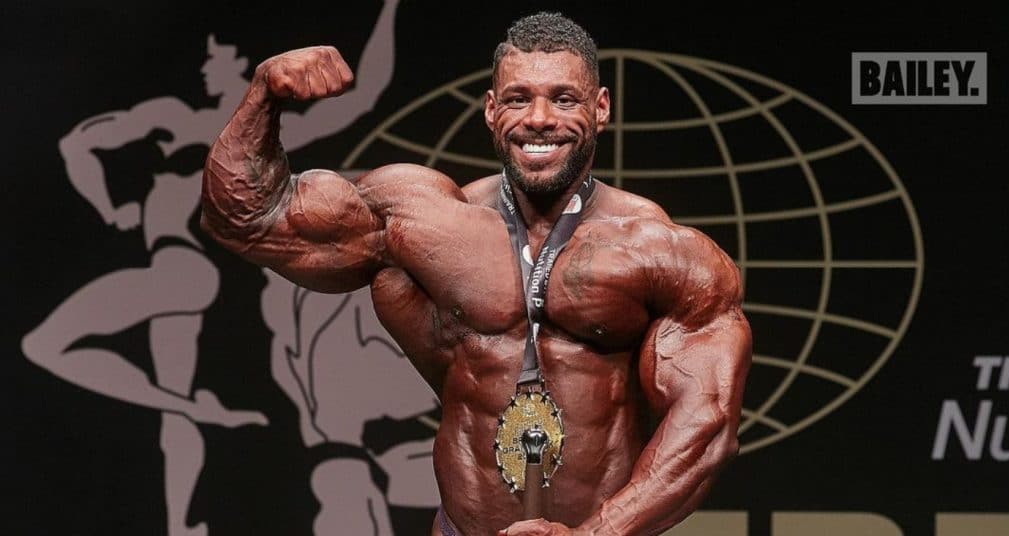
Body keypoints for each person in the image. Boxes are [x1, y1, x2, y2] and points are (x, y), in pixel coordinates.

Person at [201, 11, 751, 536]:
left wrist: (597, 532)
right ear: (490, 110)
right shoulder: (420, 222)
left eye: (563, 99)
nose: (539, 118)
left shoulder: (657, 251)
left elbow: (706, 424)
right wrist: (263, 98)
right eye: (518, 98)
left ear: (601, 107)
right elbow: (247, 220)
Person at [22, 3, 399, 534]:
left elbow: (364, 95)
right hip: (183, 273)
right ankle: (183, 519)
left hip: (180, 268)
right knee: (173, 416)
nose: (204, 67)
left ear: (240, 64)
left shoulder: (209, 126)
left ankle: (194, 411)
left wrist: (388, 12)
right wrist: (107, 206)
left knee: (46, 343)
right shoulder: (171, 118)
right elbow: (77, 143)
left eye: (216, 57)